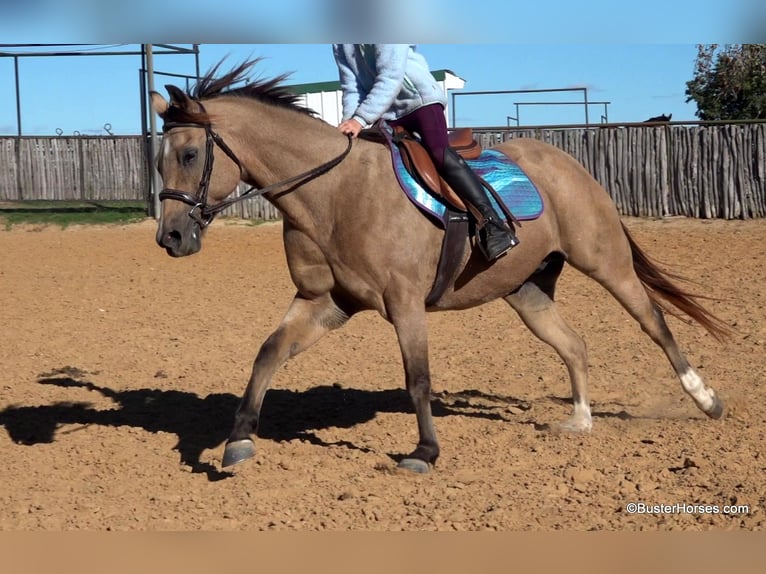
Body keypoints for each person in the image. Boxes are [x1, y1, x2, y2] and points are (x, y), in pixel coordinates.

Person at [333, 44, 519, 261]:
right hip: (386, 112)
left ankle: (492, 223)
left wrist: (361, 119)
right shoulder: (340, 43)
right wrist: (349, 122)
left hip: (420, 102)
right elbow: (352, 86)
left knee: (438, 152)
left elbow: (391, 76)